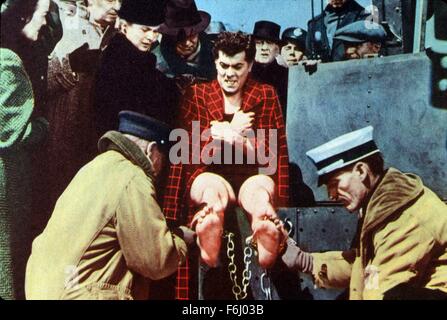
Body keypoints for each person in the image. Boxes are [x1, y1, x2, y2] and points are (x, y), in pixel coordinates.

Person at [163, 31, 290, 299]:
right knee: (212, 193)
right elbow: (185, 151)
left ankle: (264, 223)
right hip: (210, 175)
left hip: (251, 176)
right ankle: (211, 222)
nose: (229, 74)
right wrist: (228, 133)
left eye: (237, 67)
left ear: (250, 66)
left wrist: (228, 135)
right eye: (223, 66)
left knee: (258, 195)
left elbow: (272, 156)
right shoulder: (196, 95)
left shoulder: (265, 94)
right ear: (215, 63)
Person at [25, 111, 194, 300]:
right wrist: (180, 239)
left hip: (44, 289)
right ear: (151, 151)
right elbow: (155, 261)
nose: (160, 168)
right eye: (162, 159)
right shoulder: (132, 177)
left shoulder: (94, 167)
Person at [281, 126, 447, 300]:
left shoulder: (405, 218)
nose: (332, 194)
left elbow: (382, 292)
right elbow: (363, 268)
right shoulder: (383, 206)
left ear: (361, 171)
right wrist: (303, 261)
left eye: (335, 183)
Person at [45, 0, 121, 221]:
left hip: (95, 142)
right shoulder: (62, 24)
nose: (116, 6)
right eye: (110, 0)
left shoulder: (116, 37)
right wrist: (69, 64)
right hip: (62, 141)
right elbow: (39, 84)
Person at [0, 0, 54, 300]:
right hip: (8, 179)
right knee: (8, 259)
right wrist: (44, 126)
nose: (45, 24)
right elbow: (10, 132)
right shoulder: (7, 61)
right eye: (42, 17)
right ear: (22, 17)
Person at [95, 0, 177, 136]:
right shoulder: (113, 66)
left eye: (155, 31)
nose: (151, 37)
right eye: (145, 30)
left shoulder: (145, 66)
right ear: (124, 26)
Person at [156, 0, 216, 85]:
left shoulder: (219, 51)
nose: (187, 43)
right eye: (179, 37)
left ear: (198, 31)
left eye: (192, 35)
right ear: (169, 35)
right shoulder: (155, 62)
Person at [250, 20, 288, 117]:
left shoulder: (287, 75)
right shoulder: (243, 73)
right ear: (252, 47)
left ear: (277, 48)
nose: (264, 48)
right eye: (259, 43)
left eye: (270, 43)